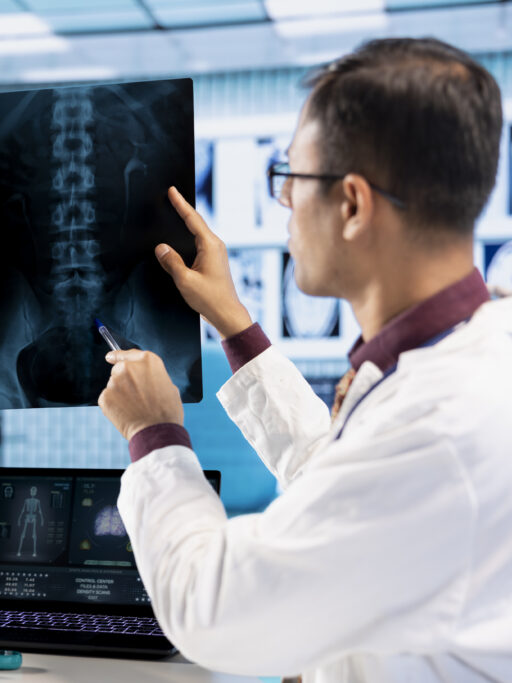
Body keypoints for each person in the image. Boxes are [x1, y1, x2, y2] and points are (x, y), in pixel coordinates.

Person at [98, 38, 512, 682]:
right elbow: (343, 483)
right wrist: (235, 325)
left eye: (291, 174)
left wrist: (155, 436)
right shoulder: (472, 355)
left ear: (351, 204)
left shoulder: (442, 427)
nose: (285, 199)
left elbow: (216, 613)